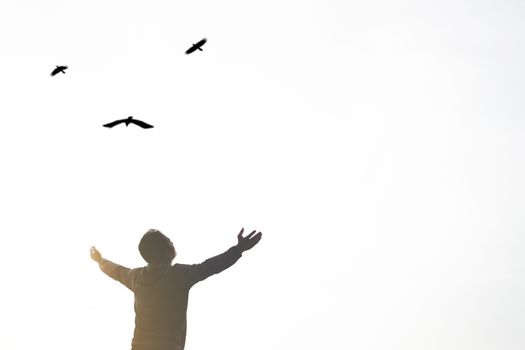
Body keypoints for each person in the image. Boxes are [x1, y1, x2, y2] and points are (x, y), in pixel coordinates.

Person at [90, 228, 262, 350]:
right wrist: (238, 249)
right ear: (166, 252)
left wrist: (100, 261)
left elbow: (116, 271)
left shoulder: (136, 277)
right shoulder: (178, 275)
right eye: (169, 241)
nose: (172, 242)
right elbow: (210, 267)